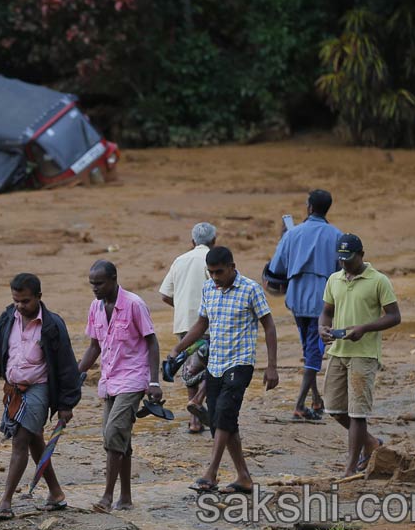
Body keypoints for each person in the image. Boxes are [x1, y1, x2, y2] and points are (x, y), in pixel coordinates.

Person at [169, 246, 279, 494]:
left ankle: (211, 473)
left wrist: (272, 366)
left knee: (225, 414)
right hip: (216, 365)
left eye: (219, 272)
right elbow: (201, 324)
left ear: (232, 267)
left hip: (240, 363)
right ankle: (244, 477)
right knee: (223, 421)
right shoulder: (208, 288)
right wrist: (178, 349)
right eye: (211, 273)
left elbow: (269, 327)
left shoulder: (250, 289)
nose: (215, 277)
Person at [0, 273, 83, 519]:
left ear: (38, 298)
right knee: (35, 440)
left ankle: (5, 502)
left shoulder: (52, 325)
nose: (20, 306)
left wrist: (67, 404)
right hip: (13, 389)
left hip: (39, 388)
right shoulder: (6, 320)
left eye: (25, 301)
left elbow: (67, 366)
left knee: (20, 440)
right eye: (16, 301)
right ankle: (56, 493)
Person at [78, 260, 162, 513]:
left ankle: (106, 497)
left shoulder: (134, 304)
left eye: (100, 283)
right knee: (118, 437)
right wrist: (76, 374)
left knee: (113, 432)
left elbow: (152, 342)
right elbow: (94, 346)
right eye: (92, 284)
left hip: (134, 379)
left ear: (114, 279)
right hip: (109, 379)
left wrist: (154, 381)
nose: (95, 288)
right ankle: (125, 497)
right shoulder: (95, 307)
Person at [319, 234, 400, 477]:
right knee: (333, 407)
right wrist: (321, 328)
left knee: (357, 412)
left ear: (362, 255)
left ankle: (351, 466)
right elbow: (326, 312)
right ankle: (372, 444)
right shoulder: (334, 279)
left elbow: (394, 316)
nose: (345, 263)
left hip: (363, 354)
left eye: (350, 259)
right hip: (338, 350)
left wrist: (364, 328)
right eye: (341, 259)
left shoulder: (378, 280)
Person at [267, 189, 342, 419]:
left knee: (310, 349)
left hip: (297, 300)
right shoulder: (337, 235)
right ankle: (300, 405)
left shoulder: (293, 234)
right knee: (314, 352)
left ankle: (316, 400)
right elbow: (342, 270)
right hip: (323, 303)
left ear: (309, 207)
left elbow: (276, 268)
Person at [159, 222, 216, 433]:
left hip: (184, 324)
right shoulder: (214, 259)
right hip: (209, 324)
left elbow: (165, 295)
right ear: (214, 241)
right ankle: (200, 404)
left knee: (190, 369)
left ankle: (194, 421)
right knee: (214, 366)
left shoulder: (179, 260)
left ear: (192, 242)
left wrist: (181, 306)